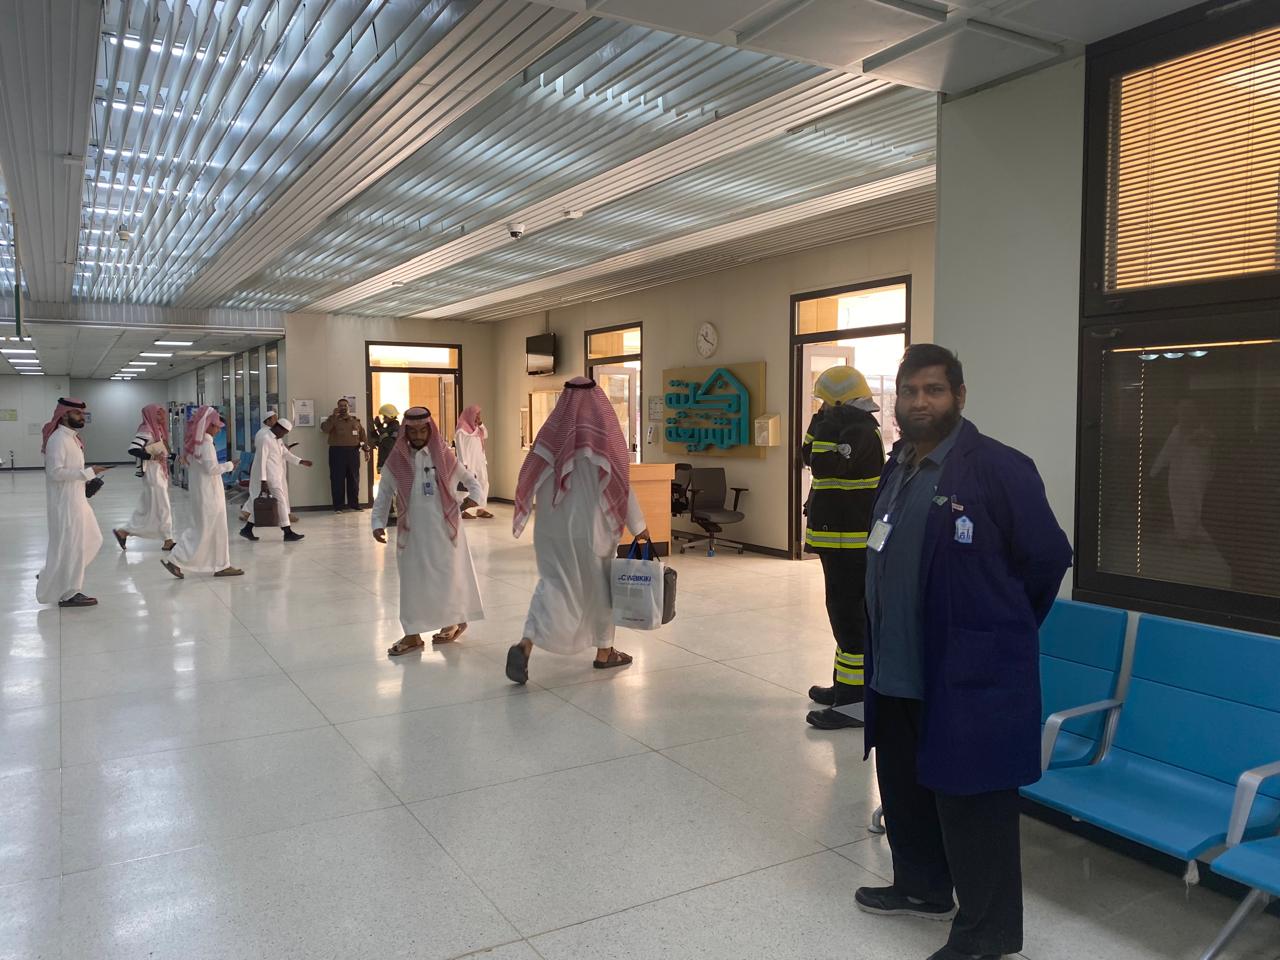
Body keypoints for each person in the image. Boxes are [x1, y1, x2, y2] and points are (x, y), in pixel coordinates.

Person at [857, 344, 1072, 960]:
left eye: (934, 390)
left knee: (974, 801)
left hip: (966, 673)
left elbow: (1047, 559)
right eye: (909, 391)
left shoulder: (998, 468)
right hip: (896, 667)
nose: (919, 402)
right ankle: (922, 887)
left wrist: (1000, 630)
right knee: (904, 785)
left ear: (959, 396)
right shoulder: (899, 465)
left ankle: (987, 934)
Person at [505, 376, 650, 685]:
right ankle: (605, 651)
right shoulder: (605, 443)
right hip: (593, 533)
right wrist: (639, 528)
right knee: (601, 592)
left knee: (552, 586)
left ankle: (526, 643)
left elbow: (528, 480)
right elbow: (621, 489)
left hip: (552, 533)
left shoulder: (549, 440)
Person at [801, 365, 884, 730]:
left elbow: (821, 464)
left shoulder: (860, 430)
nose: (819, 408)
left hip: (850, 541)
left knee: (850, 618)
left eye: (824, 402)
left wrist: (825, 425)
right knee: (841, 613)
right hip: (835, 538)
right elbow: (806, 454)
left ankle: (855, 705)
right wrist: (821, 422)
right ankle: (844, 688)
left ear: (837, 402)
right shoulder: (839, 425)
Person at [371, 407, 485, 655]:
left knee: (448, 577)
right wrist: (377, 522)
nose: (418, 435)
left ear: (430, 430)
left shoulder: (443, 455)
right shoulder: (397, 460)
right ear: (406, 432)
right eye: (413, 431)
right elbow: (384, 494)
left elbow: (471, 481)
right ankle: (412, 634)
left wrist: (474, 498)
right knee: (412, 581)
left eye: (423, 430)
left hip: (445, 530)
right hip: (411, 531)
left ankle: (453, 621)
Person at [37, 398, 108, 607]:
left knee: (93, 539)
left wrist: (87, 480)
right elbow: (55, 472)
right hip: (65, 503)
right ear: (64, 414)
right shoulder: (58, 439)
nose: (81, 417)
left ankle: (55, 574)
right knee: (73, 547)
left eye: (82, 414)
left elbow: (72, 471)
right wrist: (87, 473)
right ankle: (69, 593)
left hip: (77, 499)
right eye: (77, 413)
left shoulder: (73, 439)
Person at [162, 406, 243, 579]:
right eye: (217, 426)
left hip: (203, 492)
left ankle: (222, 565)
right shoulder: (206, 444)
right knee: (203, 530)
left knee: (214, 530)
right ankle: (176, 559)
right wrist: (230, 465)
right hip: (209, 494)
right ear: (208, 425)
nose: (219, 430)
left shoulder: (195, 443)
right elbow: (211, 469)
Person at [113, 403, 176, 552]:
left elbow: (160, 451)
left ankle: (124, 532)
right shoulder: (146, 431)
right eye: (158, 413)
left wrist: (170, 456)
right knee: (163, 506)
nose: (162, 416)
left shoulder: (157, 430)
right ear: (151, 415)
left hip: (159, 471)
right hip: (153, 473)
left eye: (162, 413)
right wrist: (151, 457)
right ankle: (168, 539)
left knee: (147, 507)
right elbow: (133, 449)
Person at [240, 417, 312, 542]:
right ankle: (287, 532)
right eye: (284, 432)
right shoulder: (265, 439)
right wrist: (263, 481)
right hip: (268, 477)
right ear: (278, 428)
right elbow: (262, 460)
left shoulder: (277, 439)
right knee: (281, 502)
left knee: (267, 503)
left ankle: (247, 529)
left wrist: (300, 461)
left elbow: (285, 453)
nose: (284, 435)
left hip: (275, 476)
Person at [320, 397, 368, 511]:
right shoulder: (332, 419)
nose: (343, 408)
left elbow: (363, 437)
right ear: (337, 407)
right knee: (337, 479)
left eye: (345, 405)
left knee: (354, 479)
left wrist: (366, 450)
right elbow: (325, 429)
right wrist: (333, 417)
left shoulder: (355, 421)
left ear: (348, 407)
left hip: (353, 452)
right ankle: (338, 507)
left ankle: (354, 504)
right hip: (337, 452)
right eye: (340, 406)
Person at [454, 405, 494, 519]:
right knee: (466, 486)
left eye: (479, 415)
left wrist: (480, 424)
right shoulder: (461, 430)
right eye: (476, 415)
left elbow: (486, 434)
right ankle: (461, 510)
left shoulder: (477, 429)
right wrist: (463, 464)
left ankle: (481, 509)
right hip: (468, 463)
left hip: (480, 461)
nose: (478, 417)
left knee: (484, 483)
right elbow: (460, 448)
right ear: (470, 415)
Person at [370, 404, 400, 470]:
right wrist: (373, 432)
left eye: (385, 417)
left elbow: (389, 444)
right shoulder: (389, 428)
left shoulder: (395, 429)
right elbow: (380, 443)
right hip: (386, 464)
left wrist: (379, 426)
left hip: (391, 465)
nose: (383, 419)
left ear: (391, 416)